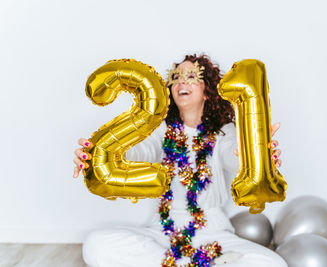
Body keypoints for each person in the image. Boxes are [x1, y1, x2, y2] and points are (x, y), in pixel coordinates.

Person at [73, 54, 287, 267]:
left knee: (271, 263)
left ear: (207, 91)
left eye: (192, 76)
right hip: (161, 233)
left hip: (212, 233)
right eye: (176, 76)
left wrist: (254, 153)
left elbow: (232, 156)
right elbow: (138, 150)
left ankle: (180, 263)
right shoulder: (161, 130)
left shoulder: (223, 131)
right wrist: (99, 154)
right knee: (95, 244)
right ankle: (190, 263)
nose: (182, 81)